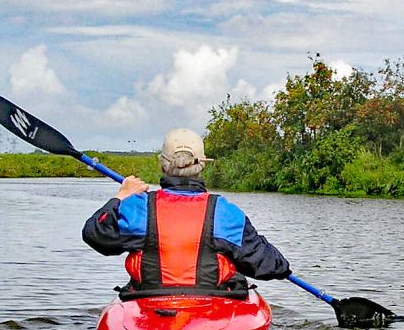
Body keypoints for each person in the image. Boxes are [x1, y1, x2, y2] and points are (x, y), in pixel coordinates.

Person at [82, 128, 291, 299]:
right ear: (201, 166)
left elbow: (95, 234)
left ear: (162, 165)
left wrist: (121, 196)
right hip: (211, 303)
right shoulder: (224, 212)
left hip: (149, 299)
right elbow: (268, 265)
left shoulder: (136, 207)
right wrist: (284, 267)